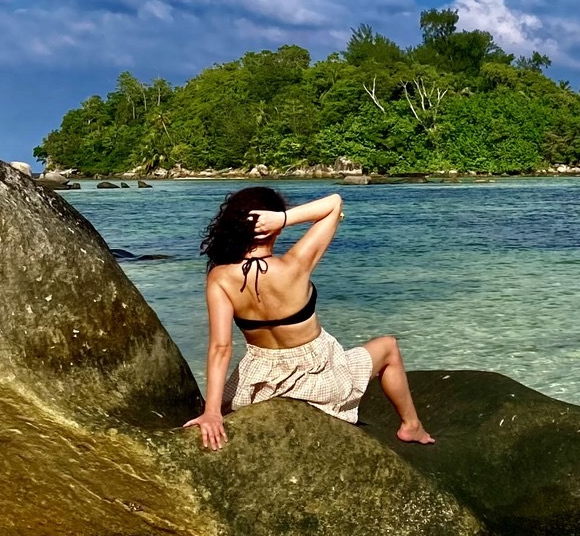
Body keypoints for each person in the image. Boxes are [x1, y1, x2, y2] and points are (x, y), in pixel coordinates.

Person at [183, 186, 433, 450]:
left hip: (260, 384)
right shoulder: (295, 264)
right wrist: (283, 218)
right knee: (389, 345)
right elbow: (334, 204)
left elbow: (221, 347)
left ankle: (411, 426)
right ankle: (411, 426)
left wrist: (212, 412)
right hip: (318, 381)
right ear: (274, 228)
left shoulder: (220, 277)